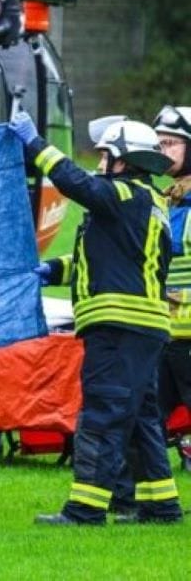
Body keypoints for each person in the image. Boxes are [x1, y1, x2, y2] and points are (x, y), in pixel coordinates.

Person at [15, 110, 183, 525]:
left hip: (118, 327)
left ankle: (85, 509)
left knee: (102, 415)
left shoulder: (123, 194)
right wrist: (55, 270)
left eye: (106, 155)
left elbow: (77, 183)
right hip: (145, 328)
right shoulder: (150, 202)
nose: (100, 163)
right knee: (141, 418)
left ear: (125, 161)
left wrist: (35, 144)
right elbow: (111, 259)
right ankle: (160, 505)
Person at [154, 105, 191, 472]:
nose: (163, 151)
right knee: (147, 415)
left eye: (171, 144)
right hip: (165, 333)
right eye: (159, 144)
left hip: (188, 336)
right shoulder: (168, 198)